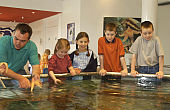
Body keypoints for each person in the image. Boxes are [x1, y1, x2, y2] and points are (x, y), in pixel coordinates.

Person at [0, 23, 41, 88]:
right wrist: (21, 78)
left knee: (30, 88)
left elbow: (35, 66)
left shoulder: (32, 46)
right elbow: (2, 70)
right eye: (16, 38)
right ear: (13, 34)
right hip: (2, 72)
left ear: (28, 40)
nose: (18, 43)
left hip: (18, 70)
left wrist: (36, 76)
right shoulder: (3, 42)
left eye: (22, 41)